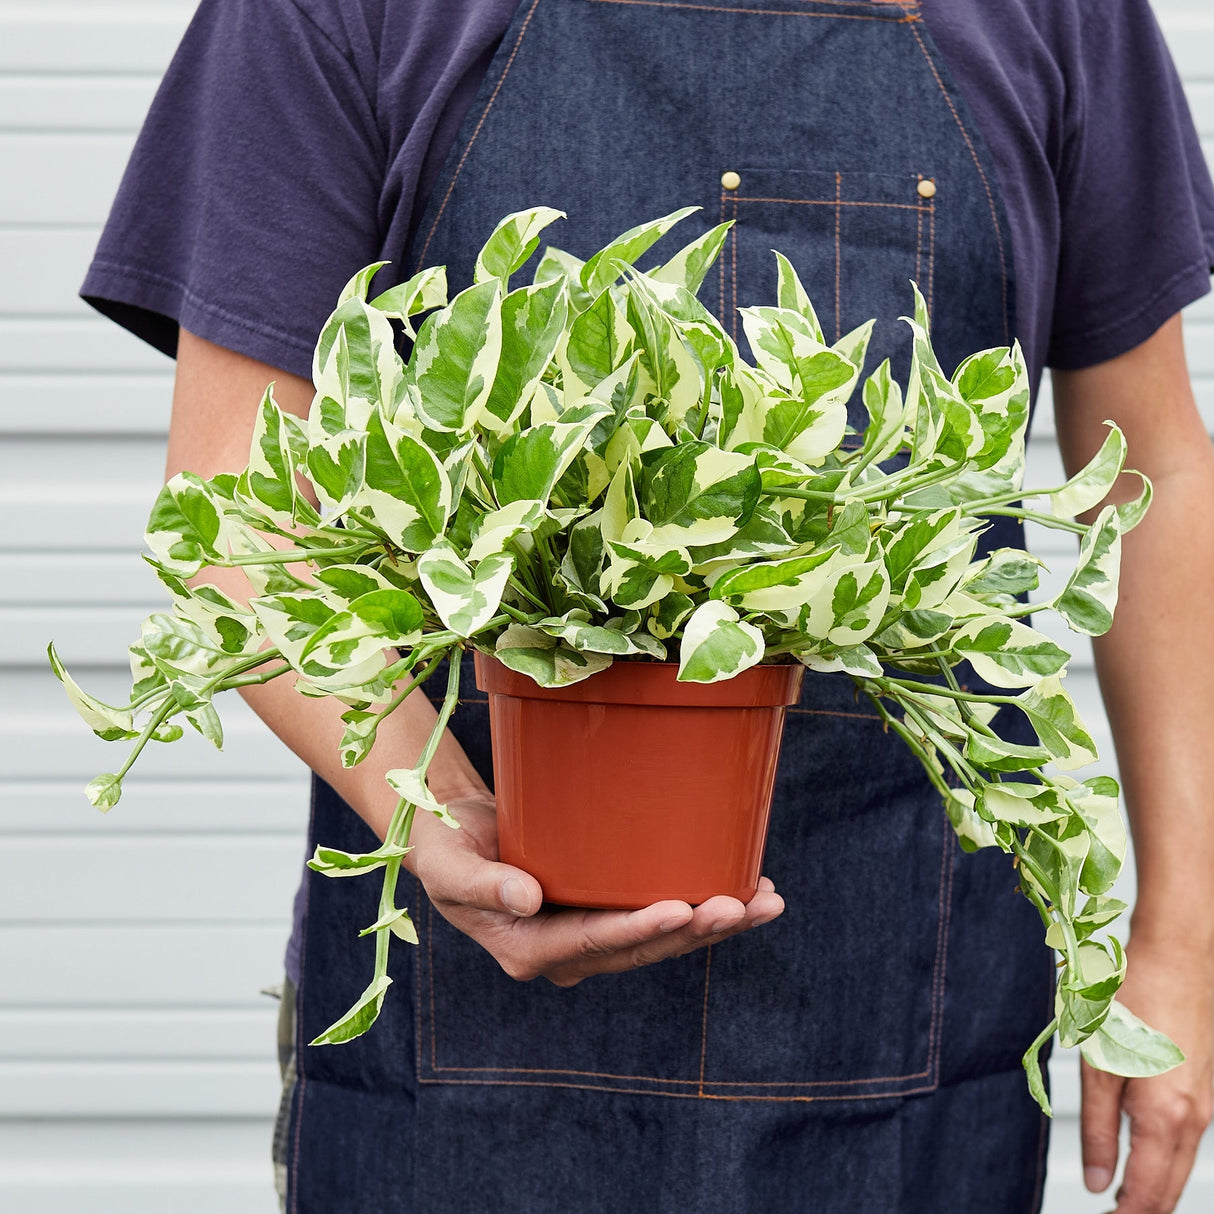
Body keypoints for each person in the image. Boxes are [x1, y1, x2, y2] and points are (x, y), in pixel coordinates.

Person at [82, 0, 1214, 1210]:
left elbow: (1157, 469)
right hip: (471, 1063)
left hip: (900, 1036)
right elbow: (233, 503)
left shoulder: (1057, 19)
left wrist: (1180, 941)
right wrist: (442, 812)